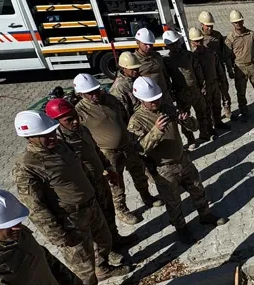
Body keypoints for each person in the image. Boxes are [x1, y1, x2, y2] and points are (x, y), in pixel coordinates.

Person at [12, 110, 130, 285]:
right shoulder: (27, 166)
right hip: (70, 219)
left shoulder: (61, 146)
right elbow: (35, 207)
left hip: (91, 206)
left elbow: (81, 168)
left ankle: (103, 268)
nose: (51, 137)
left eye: (52, 132)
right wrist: (58, 236)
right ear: (29, 137)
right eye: (44, 135)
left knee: (104, 241)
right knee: (82, 263)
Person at [127, 77, 228, 244]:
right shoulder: (136, 121)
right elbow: (140, 148)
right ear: (140, 100)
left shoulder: (167, 108)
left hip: (183, 160)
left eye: (157, 98)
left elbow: (194, 127)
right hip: (164, 169)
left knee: (197, 188)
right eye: (151, 101)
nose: (156, 102)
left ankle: (205, 215)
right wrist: (156, 131)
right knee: (173, 201)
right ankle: (181, 229)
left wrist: (186, 120)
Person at [45, 97, 136, 251]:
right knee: (96, 224)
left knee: (108, 212)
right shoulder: (61, 144)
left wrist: (108, 168)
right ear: (56, 122)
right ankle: (107, 252)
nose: (75, 121)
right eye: (69, 120)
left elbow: (96, 151)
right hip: (87, 187)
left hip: (100, 179)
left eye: (75, 116)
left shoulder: (82, 130)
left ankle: (115, 239)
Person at [74, 72, 159, 225]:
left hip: (127, 145)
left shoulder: (110, 99)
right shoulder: (80, 112)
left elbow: (124, 115)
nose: (94, 95)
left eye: (96, 90)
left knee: (138, 172)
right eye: (89, 93)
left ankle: (146, 195)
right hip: (108, 153)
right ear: (81, 94)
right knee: (116, 183)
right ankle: (121, 210)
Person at [162, 30, 212, 149]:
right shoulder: (167, 60)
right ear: (167, 46)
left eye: (176, 43)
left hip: (195, 90)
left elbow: (198, 70)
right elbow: (166, 78)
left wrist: (202, 86)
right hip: (181, 93)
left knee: (202, 112)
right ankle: (190, 140)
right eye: (171, 44)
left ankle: (204, 134)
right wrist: (171, 94)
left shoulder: (189, 55)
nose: (175, 46)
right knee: (184, 117)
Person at [225, 10, 254, 120]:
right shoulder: (230, 38)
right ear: (232, 24)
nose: (238, 24)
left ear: (243, 20)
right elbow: (228, 56)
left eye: (239, 21)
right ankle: (244, 113)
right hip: (240, 68)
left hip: (253, 66)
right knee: (241, 93)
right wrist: (230, 70)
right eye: (235, 22)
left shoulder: (252, 34)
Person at [188, 27, 225, 133]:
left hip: (214, 83)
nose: (198, 43)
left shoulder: (211, 53)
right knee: (207, 109)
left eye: (200, 40)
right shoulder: (193, 57)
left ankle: (218, 122)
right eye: (196, 41)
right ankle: (209, 128)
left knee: (217, 105)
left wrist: (221, 81)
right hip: (204, 87)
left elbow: (218, 68)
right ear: (192, 42)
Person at [198, 11, 233, 120]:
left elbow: (225, 52)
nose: (210, 28)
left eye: (211, 26)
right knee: (211, 95)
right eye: (207, 26)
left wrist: (229, 69)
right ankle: (214, 117)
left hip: (220, 69)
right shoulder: (199, 38)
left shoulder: (217, 35)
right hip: (207, 72)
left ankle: (227, 110)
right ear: (202, 25)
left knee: (224, 90)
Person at [133, 28, 171, 98]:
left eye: (151, 44)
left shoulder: (157, 56)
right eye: (145, 44)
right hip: (149, 99)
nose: (149, 47)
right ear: (137, 42)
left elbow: (164, 73)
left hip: (164, 95)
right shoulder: (133, 60)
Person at [109, 51, 141, 117]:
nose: (135, 71)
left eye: (137, 68)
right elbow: (122, 110)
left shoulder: (136, 78)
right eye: (132, 69)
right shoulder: (119, 86)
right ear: (123, 68)